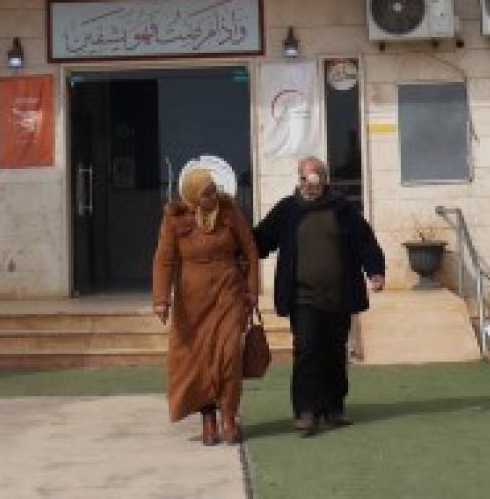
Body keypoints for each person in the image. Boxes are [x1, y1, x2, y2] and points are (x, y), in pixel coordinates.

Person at [253, 156, 385, 437]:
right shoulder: (287, 210)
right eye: (303, 179)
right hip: (303, 298)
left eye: (313, 180)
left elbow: (365, 241)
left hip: (338, 296)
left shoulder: (342, 209)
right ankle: (306, 411)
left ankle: (334, 407)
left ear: (324, 181)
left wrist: (375, 270)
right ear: (298, 180)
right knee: (307, 350)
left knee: (335, 354)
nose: (308, 185)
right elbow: (262, 239)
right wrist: (236, 241)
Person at [152, 164, 260, 446]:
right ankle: (208, 419)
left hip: (229, 292)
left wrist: (252, 291)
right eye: (206, 193)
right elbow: (164, 260)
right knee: (199, 360)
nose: (213, 196)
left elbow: (249, 250)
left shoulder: (229, 212)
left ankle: (228, 416)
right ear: (191, 196)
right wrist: (161, 300)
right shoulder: (174, 219)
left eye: (214, 190)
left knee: (228, 357)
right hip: (192, 300)